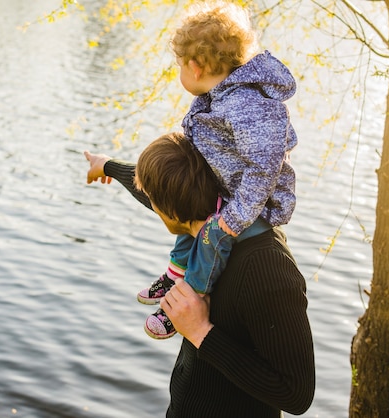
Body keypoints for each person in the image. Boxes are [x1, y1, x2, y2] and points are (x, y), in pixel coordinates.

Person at [83, 132, 315, 417]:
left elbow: (295, 394)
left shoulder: (266, 267)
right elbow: (156, 187)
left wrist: (200, 332)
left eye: (154, 201)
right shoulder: (211, 208)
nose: (150, 203)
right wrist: (106, 165)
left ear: (167, 209)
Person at [135, 1, 299, 339]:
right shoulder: (219, 97)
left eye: (179, 66)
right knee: (186, 222)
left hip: (251, 210)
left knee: (210, 236)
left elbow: (264, 168)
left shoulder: (248, 105)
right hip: (226, 193)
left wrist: (235, 217)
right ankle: (176, 274)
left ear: (194, 67)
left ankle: (191, 295)